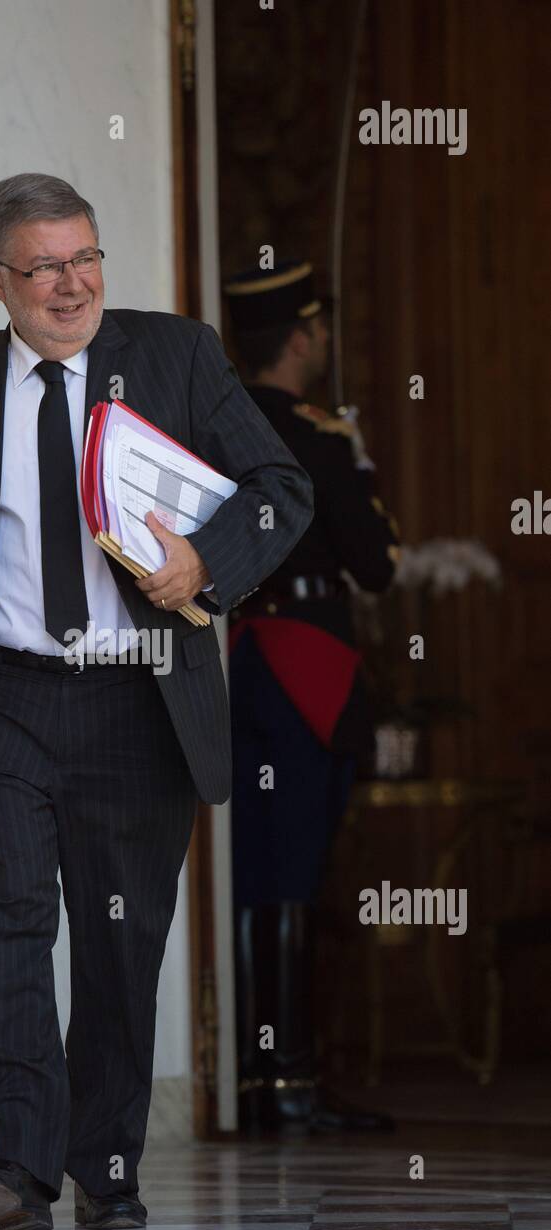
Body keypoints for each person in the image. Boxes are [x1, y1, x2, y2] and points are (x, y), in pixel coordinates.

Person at [0, 175, 313, 1230]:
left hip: (139, 700)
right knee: (6, 924)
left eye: (86, 258)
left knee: (121, 941)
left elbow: (279, 488)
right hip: (1, 696)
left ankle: (106, 1164)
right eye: (43, 265)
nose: (72, 284)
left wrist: (202, 565)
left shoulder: (175, 354)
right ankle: (13, 1162)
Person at [223, 260, 400, 1134]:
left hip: (237, 657)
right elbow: (377, 564)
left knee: (253, 865)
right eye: (319, 329)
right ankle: (290, 1083)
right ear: (299, 337)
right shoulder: (322, 435)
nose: (322, 341)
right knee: (292, 866)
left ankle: (252, 1082)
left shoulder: (214, 426)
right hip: (307, 659)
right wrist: (357, 462)